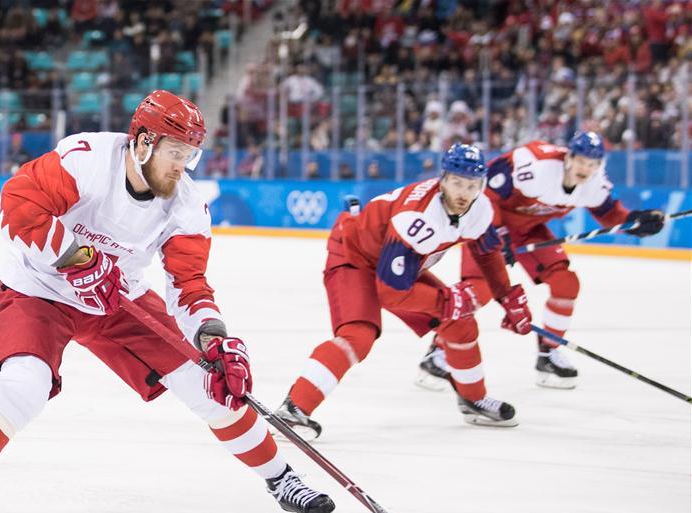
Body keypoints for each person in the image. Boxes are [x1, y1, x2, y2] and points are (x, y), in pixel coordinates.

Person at [0, 90, 336, 513]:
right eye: (175, 153)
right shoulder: (87, 160)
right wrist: (78, 258)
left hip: (119, 298)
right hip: (39, 288)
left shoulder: (185, 204)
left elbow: (189, 282)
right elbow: (18, 203)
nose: (183, 166)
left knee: (211, 385)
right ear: (142, 142)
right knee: (24, 384)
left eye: (190, 155)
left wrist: (213, 336)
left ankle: (282, 480)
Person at [274, 144, 533, 438]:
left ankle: (473, 399)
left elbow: (486, 254)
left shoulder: (480, 207)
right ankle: (293, 409)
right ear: (443, 179)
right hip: (354, 256)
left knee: (460, 324)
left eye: (472, 185)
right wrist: (448, 302)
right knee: (358, 335)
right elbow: (391, 292)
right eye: (457, 182)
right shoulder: (417, 217)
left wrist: (506, 295)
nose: (463, 192)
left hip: (396, 265)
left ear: (481, 184)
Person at [415, 132, 664, 390]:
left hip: (528, 231)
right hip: (487, 226)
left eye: (592, 164)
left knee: (566, 283)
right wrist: (497, 234)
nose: (586, 169)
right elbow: (486, 193)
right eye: (582, 161)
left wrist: (636, 221)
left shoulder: (594, 183)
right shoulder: (536, 164)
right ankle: (438, 353)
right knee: (480, 291)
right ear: (569, 157)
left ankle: (549, 354)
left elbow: (611, 213)